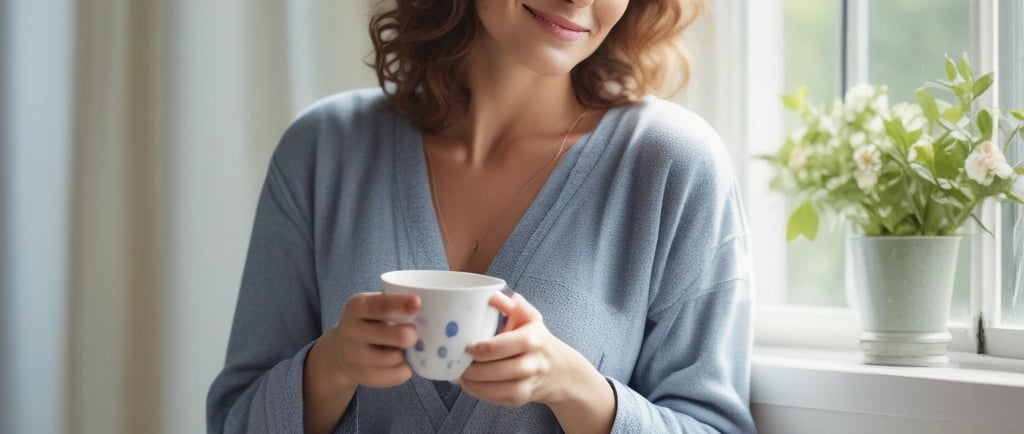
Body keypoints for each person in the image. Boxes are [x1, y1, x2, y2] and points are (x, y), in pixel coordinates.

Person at [207, 0, 756, 432]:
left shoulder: (672, 167)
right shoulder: (323, 150)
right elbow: (233, 419)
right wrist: (330, 367)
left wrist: (574, 388)